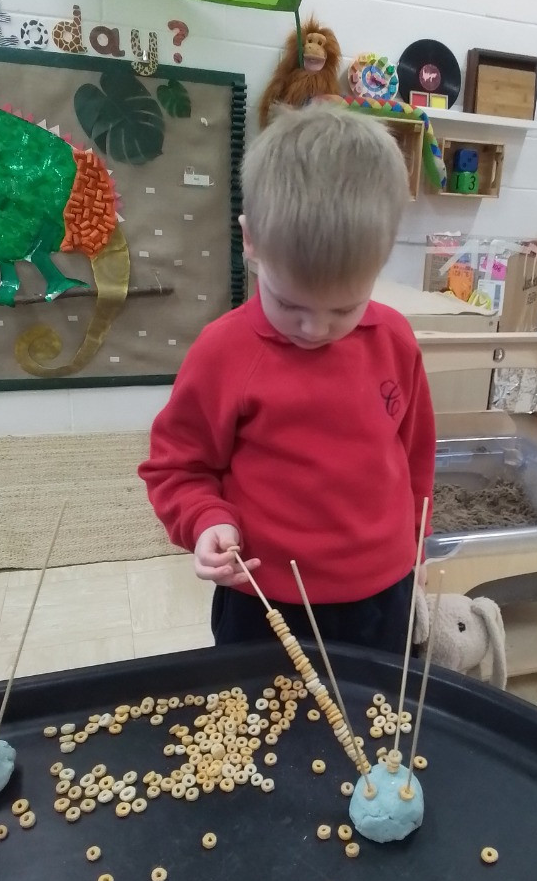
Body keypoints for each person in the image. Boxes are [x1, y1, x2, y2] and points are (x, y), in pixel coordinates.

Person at [139, 104, 435, 654]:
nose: (316, 328)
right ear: (250, 242)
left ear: (383, 259)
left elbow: (416, 457)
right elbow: (178, 466)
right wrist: (205, 522)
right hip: (263, 602)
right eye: (291, 304)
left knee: (370, 726)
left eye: (344, 309)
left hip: (382, 596)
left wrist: (417, 548)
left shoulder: (395, 341)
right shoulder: (223, 352)